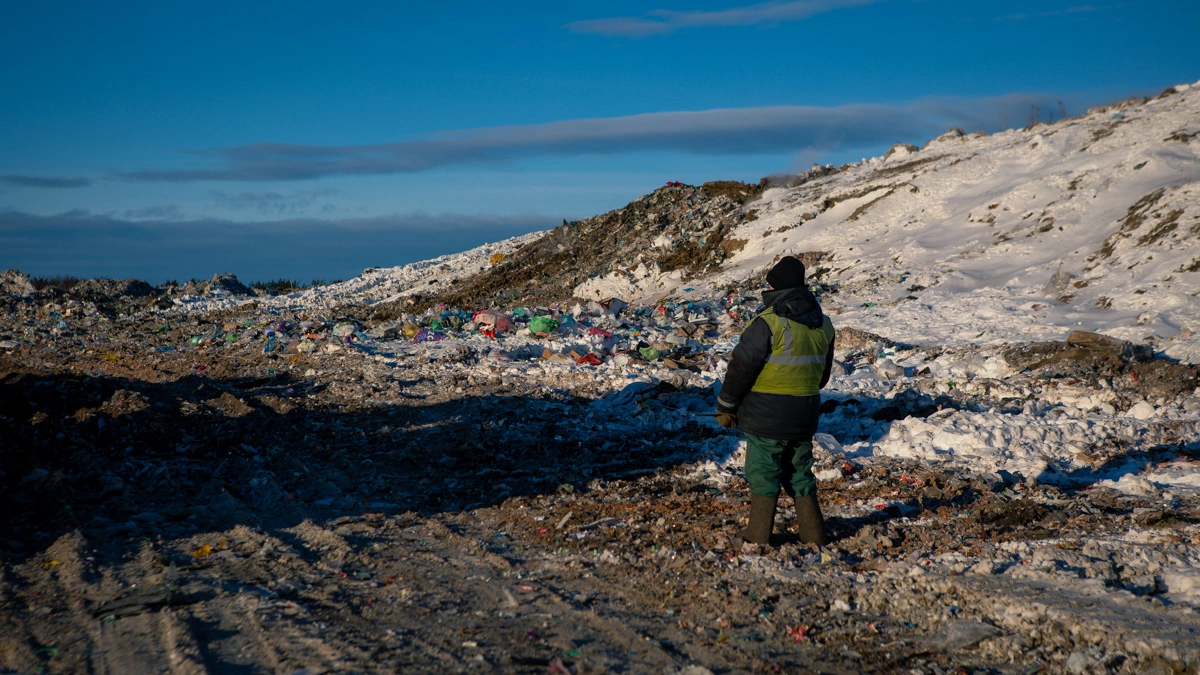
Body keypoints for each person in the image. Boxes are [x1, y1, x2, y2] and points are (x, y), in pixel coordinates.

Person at [715, 256, 836, 547]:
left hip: (766, 415)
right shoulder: (824, 324)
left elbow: (741, 369)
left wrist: (727, 406)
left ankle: (757, 536)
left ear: (776, 287)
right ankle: (814, 535)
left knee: (763, 471)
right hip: (805, 413)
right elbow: (822, 377)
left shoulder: (767, 323)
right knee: (800, 472)